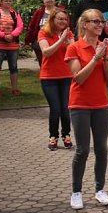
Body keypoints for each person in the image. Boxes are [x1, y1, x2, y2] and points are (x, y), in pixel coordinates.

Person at [65, 9, 108, 210]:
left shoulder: (104, 48)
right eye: (95, 21)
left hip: (101, 104)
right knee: (82, 150)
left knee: (101, 149)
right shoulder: (74, 47)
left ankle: (100, 189)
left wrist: (105, 57)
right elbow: (79, 78)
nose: (100, 25)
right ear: (84, 24)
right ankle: (76, 192)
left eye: (101, 21)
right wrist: (95, 58)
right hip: (80, 104)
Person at [38, 10, 75, 150]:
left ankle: (66, 135)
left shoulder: (68, 33)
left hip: (66, 76)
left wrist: (69, 42)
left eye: (65, 19)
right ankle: (53, 137)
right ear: (53, 19)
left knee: (65, 109)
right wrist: (61, 40)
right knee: (55, 108)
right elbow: (46, 52)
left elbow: (73, 50)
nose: (63, 22)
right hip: (49, 77)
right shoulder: (43, 33)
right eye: (60, 19)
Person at [0, 0, 24, 97]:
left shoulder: (15, 13)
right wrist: (3, 35)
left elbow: (20, 26)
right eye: (6, 0)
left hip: (13, 44)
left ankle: (14, 88)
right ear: (1, 2)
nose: (8, 2)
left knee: (13, 67)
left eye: (10, 0)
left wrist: (12, 35)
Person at [27, 0, 63, 65]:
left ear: (55, 0)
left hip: (56, 41)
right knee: (43, 63)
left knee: (56, 62)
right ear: (43, 0)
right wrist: (29, 41)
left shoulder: (60, 12)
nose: (50, 0)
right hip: (40, 42)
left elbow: (66, 25)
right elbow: (32, 27)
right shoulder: (39, 12)